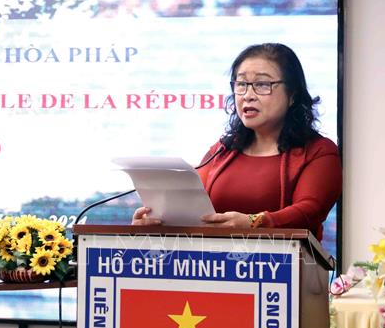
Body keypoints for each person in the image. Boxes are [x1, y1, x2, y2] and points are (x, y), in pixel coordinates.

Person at [132, 43, 342, 241]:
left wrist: (253, 223)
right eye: (241, 84)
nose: (248, 96)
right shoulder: (222, 150)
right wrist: (158, 222)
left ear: (292, 95)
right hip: (212, 264)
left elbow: (309, 211)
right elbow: (192, 210)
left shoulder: (318, 151)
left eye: (262, 84)